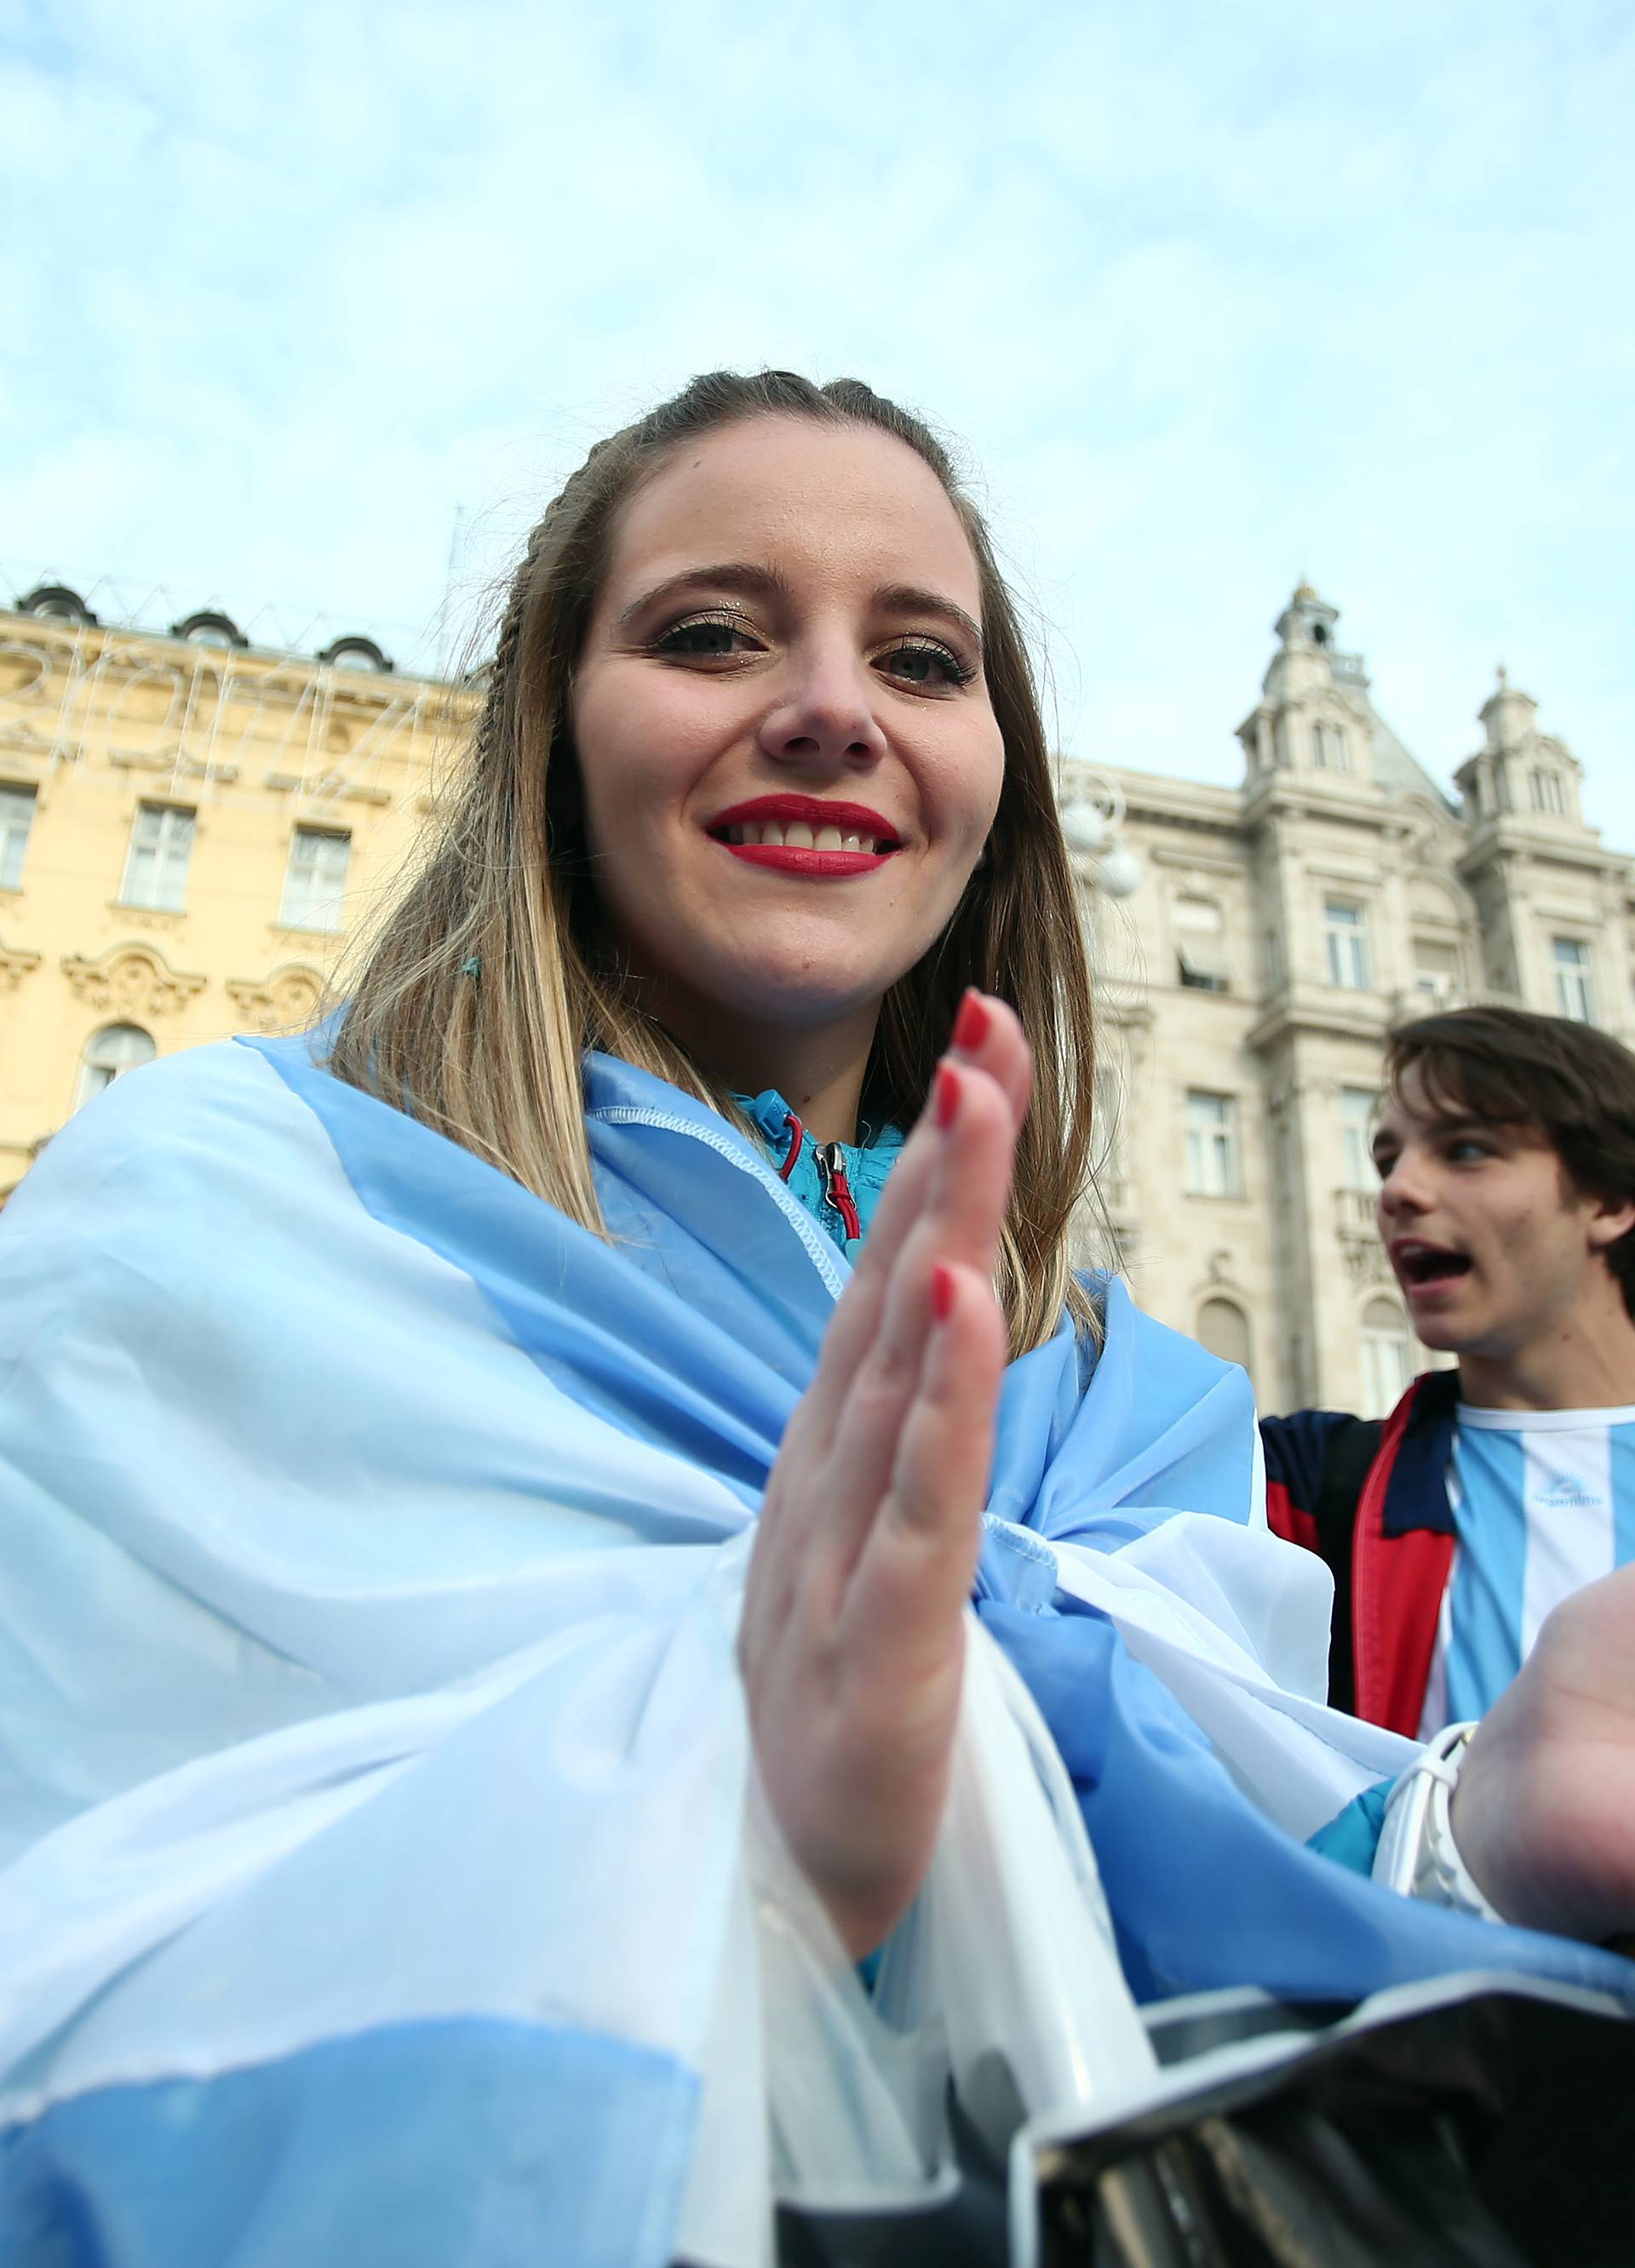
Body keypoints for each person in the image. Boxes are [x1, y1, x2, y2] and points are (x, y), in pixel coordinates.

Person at [1, 372, 1632, 2268]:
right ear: (548, 728)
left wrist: (1480, 1824)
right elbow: (74, 1918)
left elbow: (1210, 1950)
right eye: (710, 633)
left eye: (924, 660)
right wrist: (730, 1796)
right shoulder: (211, 1209)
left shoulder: (1126, 1403)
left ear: (994, 783)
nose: (833, 709)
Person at [1262, 1006, 1635, 1735]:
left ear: (1610, 1199)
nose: (1398, 1191)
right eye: (1386, 1160)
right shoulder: (1312, 1486)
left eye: (1465, 1150)